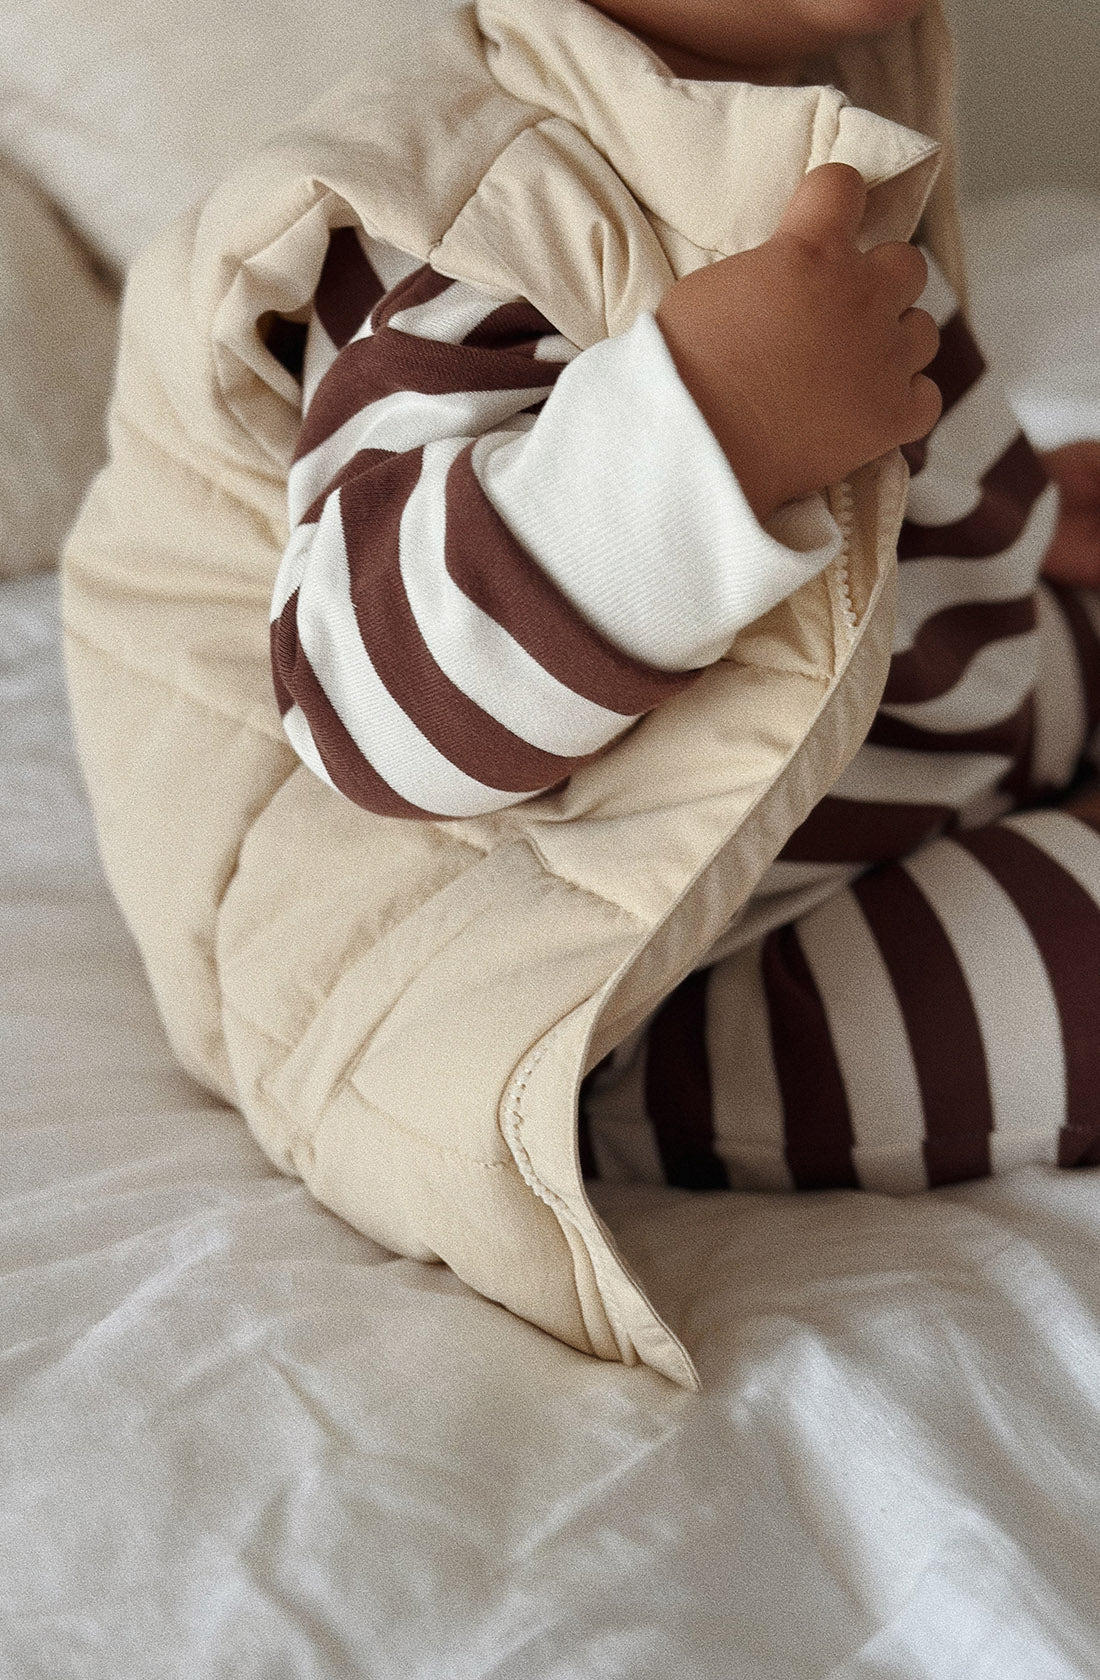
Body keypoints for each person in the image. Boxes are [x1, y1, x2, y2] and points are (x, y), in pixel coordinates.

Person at [268, 0, 1100, 1201]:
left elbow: (866, 460)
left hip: (932, 725)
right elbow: (369, 706)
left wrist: (1005, 506)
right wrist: (709, 421)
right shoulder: (471, 204)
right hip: (681, 968)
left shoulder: (815, 104)